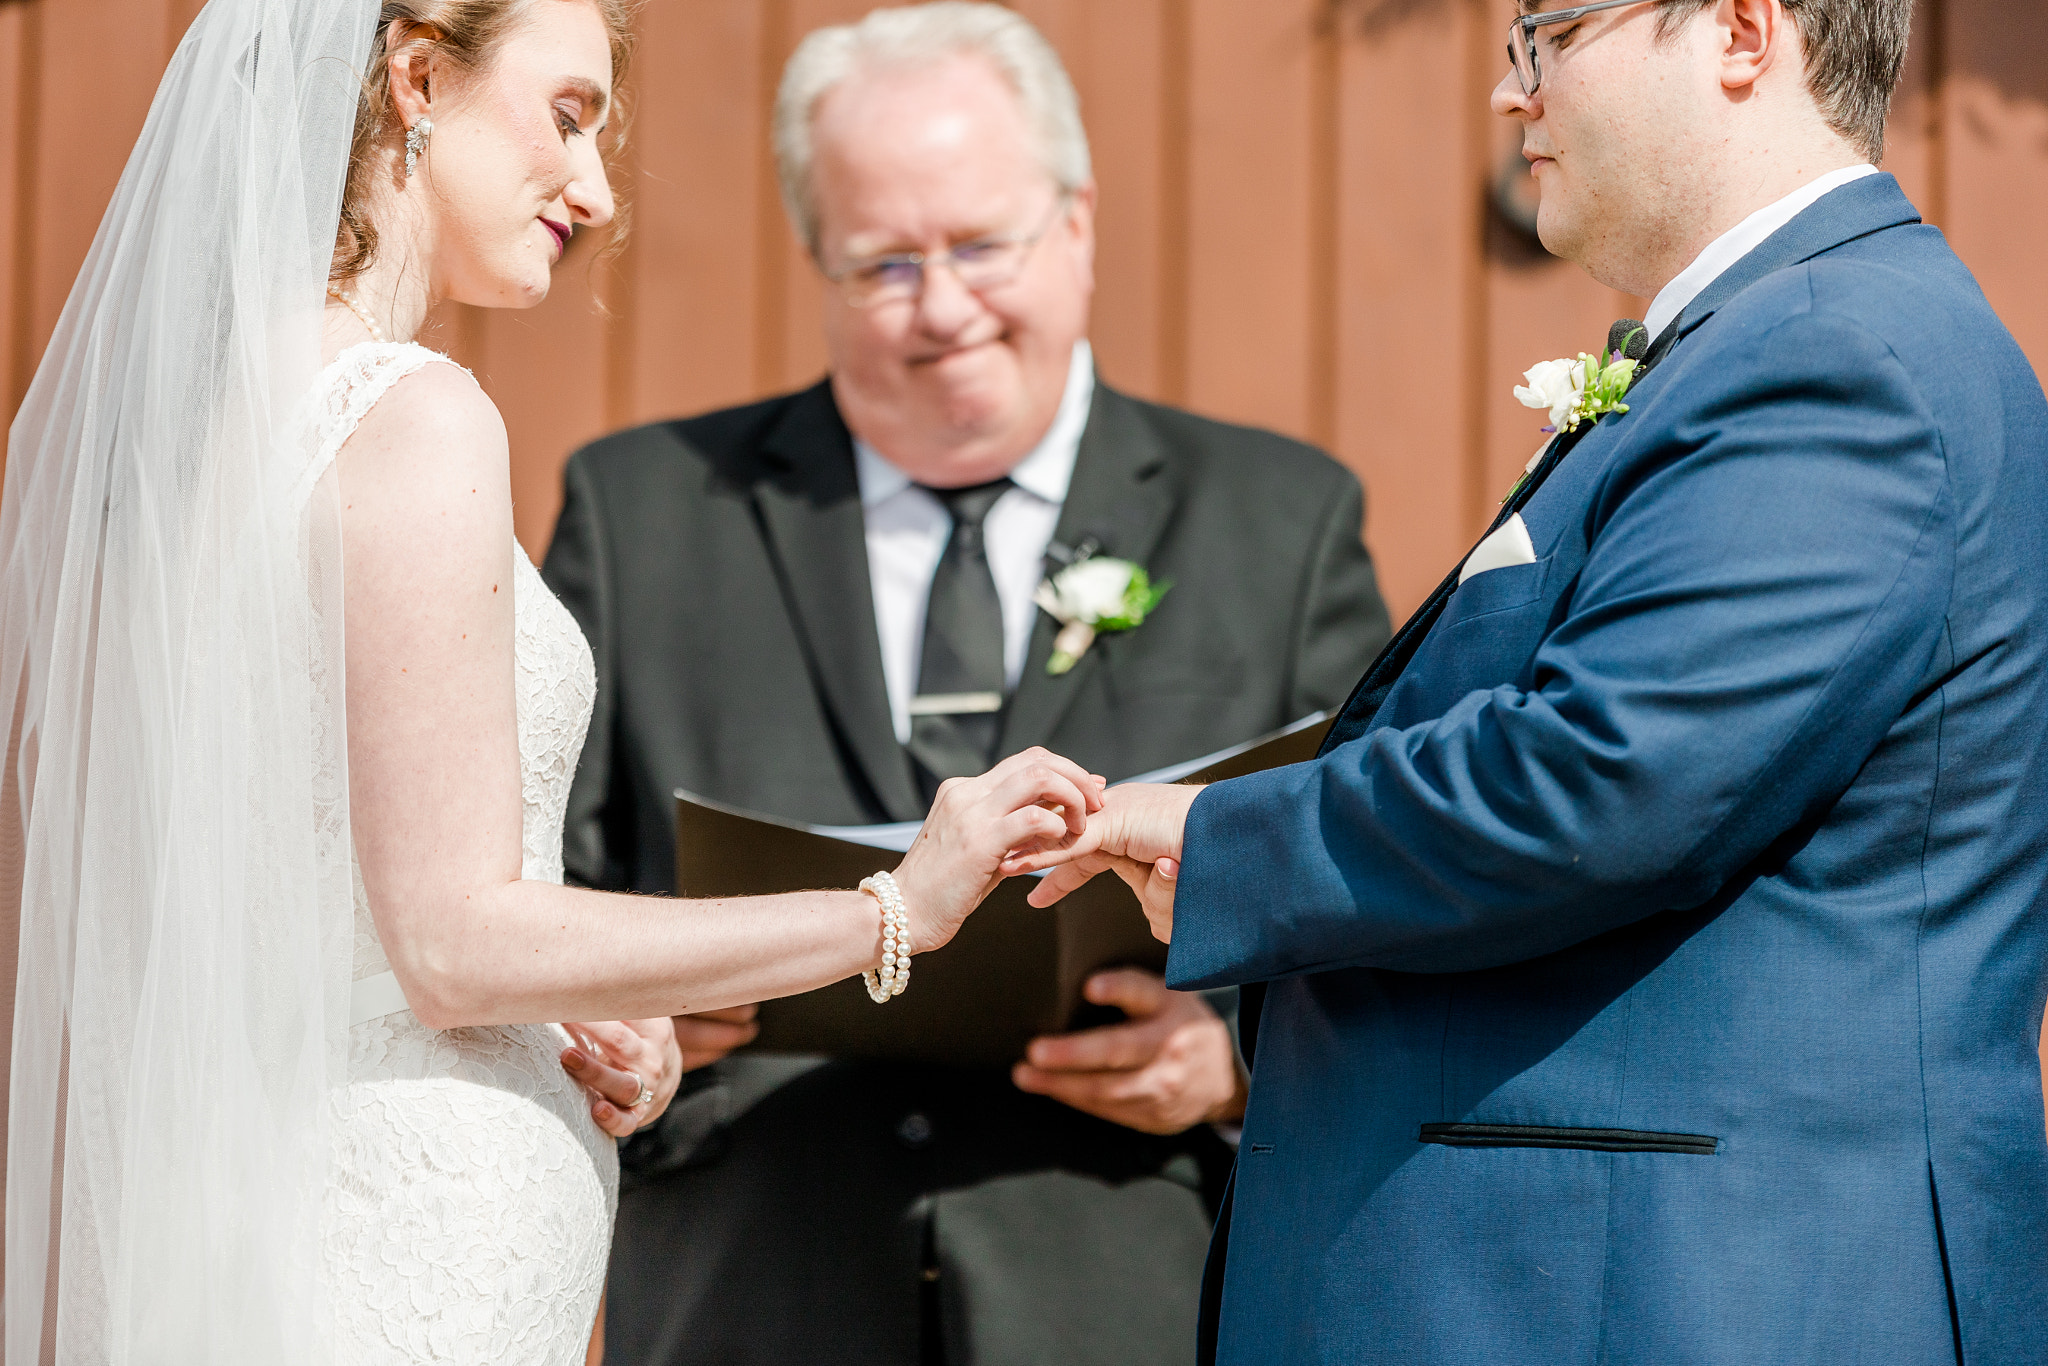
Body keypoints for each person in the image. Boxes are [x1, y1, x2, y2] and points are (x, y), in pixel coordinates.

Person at [0, 0, 1099, 1360]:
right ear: (414, 77)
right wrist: (893, 905)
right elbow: (454, 939)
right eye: (570, 115)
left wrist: (585, 995)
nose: (594, 188)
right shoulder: (414, 416)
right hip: (404, 1251)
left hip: (244, 1217)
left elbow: (293, 890)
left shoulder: (169, 457)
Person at [1039, 0, 2048, 1361]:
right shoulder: (1771, 344)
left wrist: (1225, 841)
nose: (1509, 95)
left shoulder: (1835, 359)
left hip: (1700, 1294)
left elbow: (1610, 771)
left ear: (1743, 31)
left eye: (1548, 34)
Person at [539, 5, 1390, 1362]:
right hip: (751, 1283)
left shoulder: (1276, 522)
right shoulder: (644, 516)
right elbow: (536, 897)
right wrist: (634, 1022)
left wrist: (1229, 1061)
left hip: (1126, 1288)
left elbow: (1375, 887)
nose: (942, 308)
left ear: (1080, 225)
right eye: (883, 263)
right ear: (816, 259)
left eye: (982, 245)